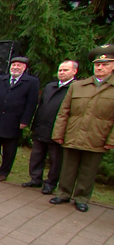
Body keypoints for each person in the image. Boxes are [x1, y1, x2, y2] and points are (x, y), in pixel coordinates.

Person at [50, 45, 114, 212]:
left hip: (97, 136)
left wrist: (111, 140)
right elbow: (64, 112)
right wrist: (58, 133)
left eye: (105, 64)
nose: (100, 67)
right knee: (68, 167)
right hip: (74, 133)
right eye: (97, 65)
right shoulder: (78, 86)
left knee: (88, 170)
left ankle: (81, 198)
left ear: (113, 66)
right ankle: (63, 193)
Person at [22, 60, 78, 194]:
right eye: (60, 70)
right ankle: (35, 179)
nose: (62, 73)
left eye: (65, 70)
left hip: (58, 130)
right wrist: (34, 125)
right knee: (37, 155)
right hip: (41, 127)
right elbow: (40, 106)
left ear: (74, 71)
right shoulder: (50, 86)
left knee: (55, 159)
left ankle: (51, 183)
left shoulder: (75, 88)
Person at [0, 57, 39, 181]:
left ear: (24, 68)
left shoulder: (31, 82)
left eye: (19, 65)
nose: (16, 67)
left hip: (14, 121)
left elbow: (31, 104)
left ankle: (4, 172)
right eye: (13, 65)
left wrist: (25, 120)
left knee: (9, 149)